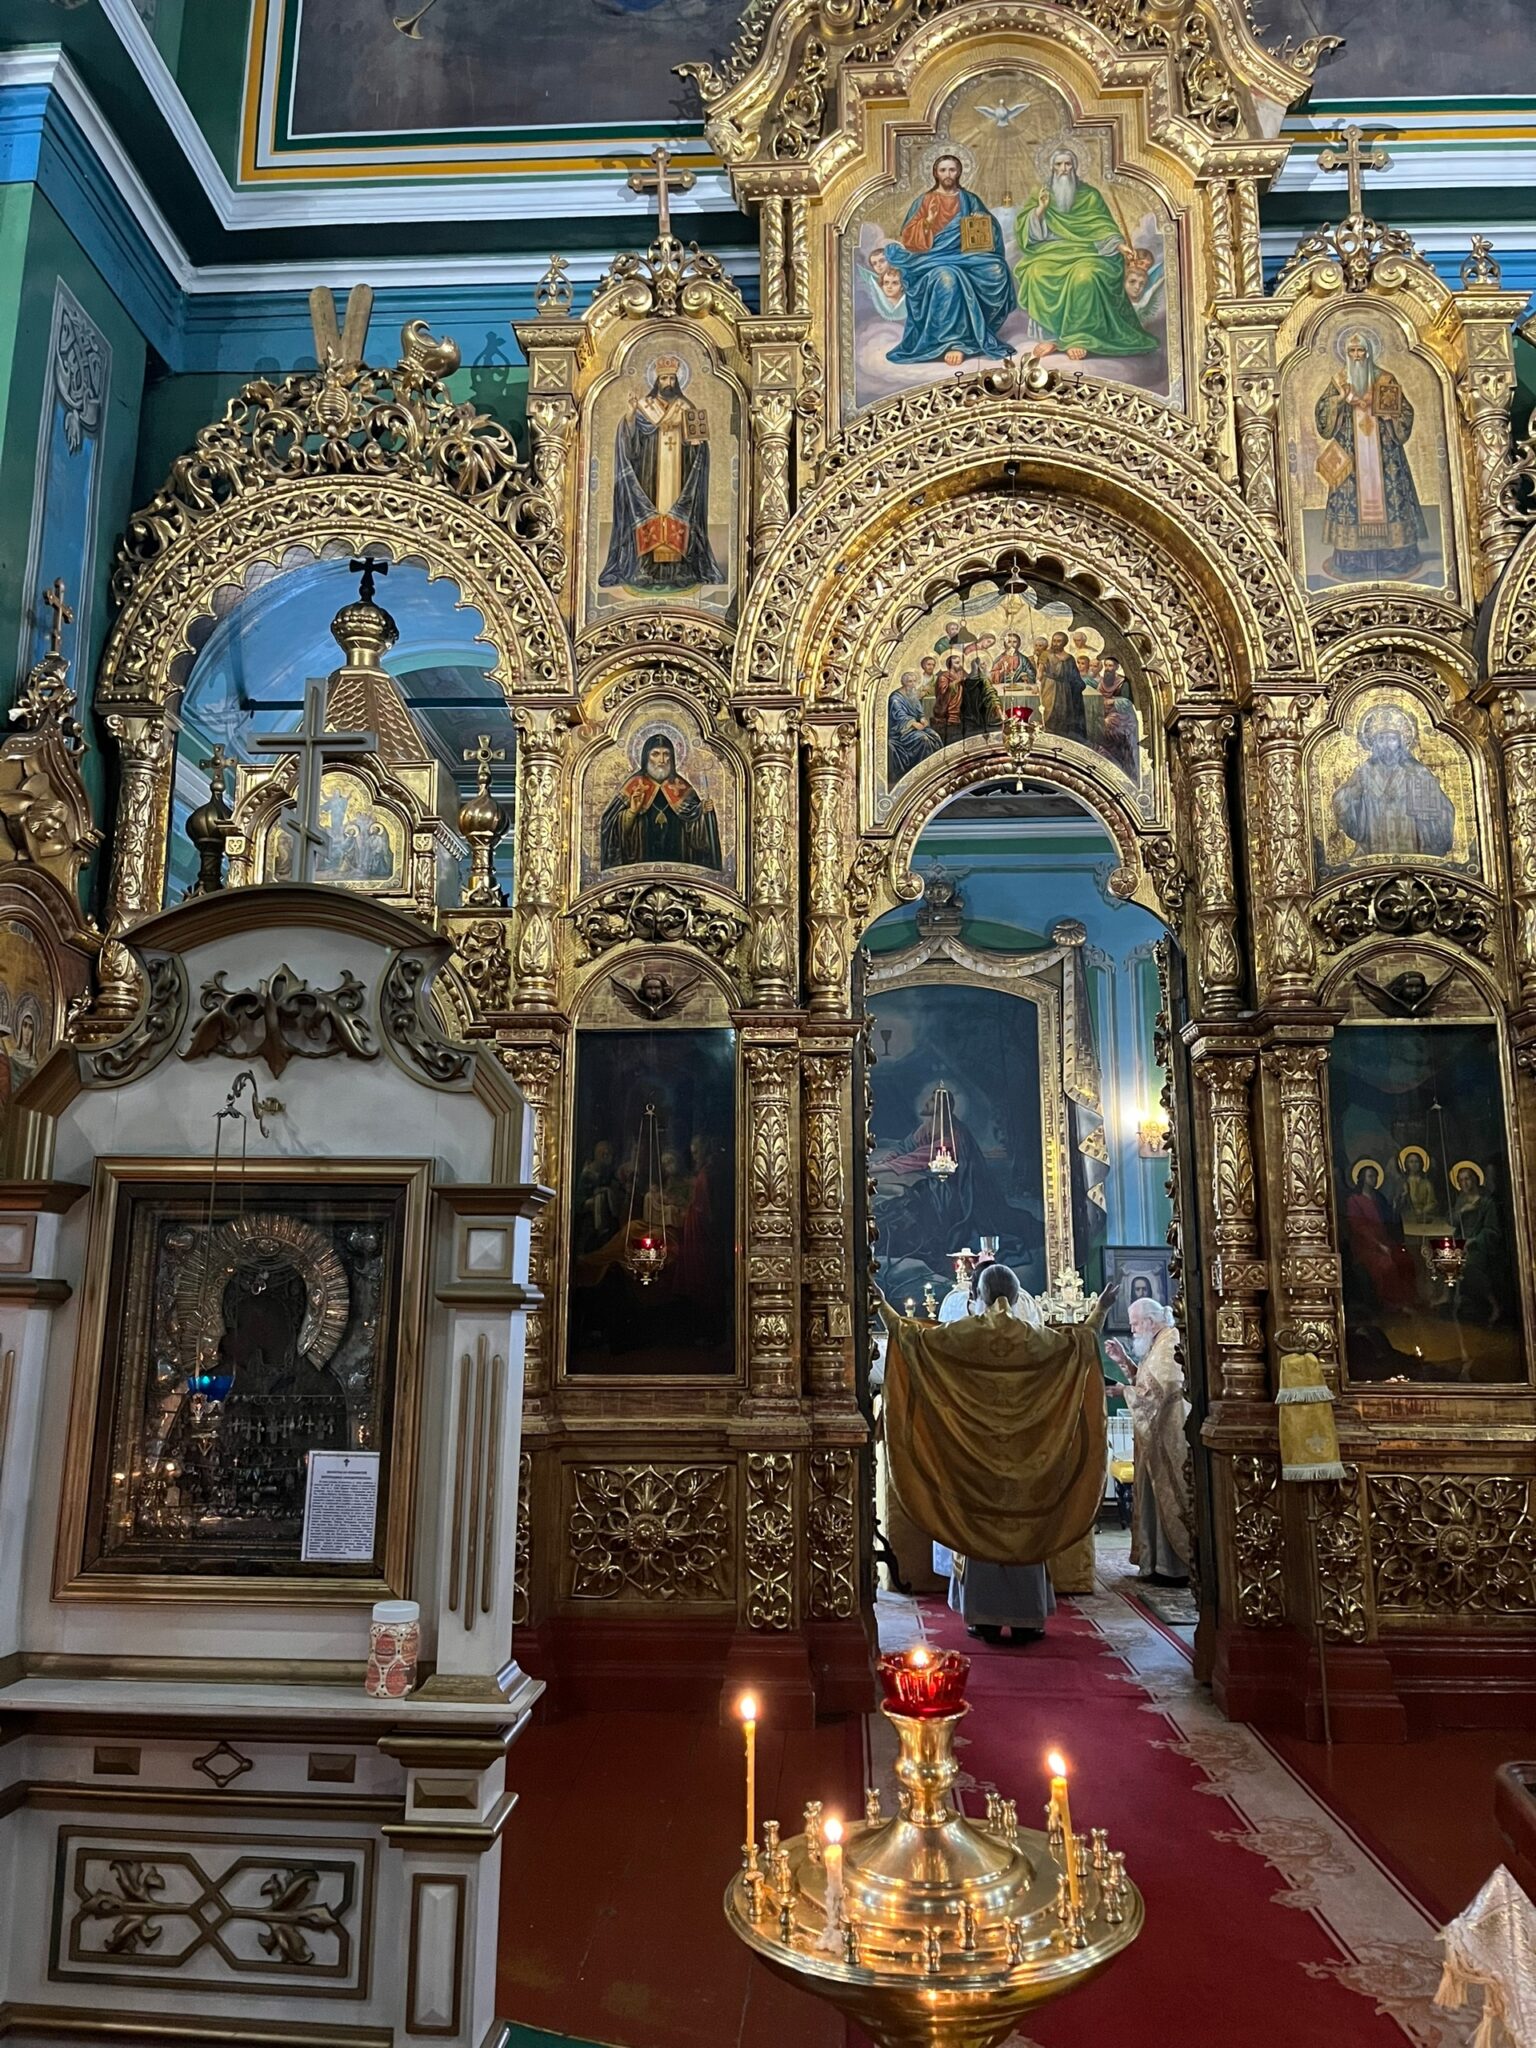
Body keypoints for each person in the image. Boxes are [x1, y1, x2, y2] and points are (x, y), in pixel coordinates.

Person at [879, 1264, 1115, 1647]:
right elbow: (1082, 1342)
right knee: (1027, 1531)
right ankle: (1028, 1619)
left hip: (976, 1459)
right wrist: (1101, 1308)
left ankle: (984, 1619)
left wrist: (882, 1305)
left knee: (980, 1530)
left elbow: (912, 1340)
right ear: (1018, 1296)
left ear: (977, 1296)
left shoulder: (964, 1335)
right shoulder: (1035, 1339)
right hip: (1031, 1460)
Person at [1014, 148, 1158, 362]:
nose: (1064, 169)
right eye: (1059, 164)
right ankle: (1052, 336)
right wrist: (1041, 209)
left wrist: (1120, 246)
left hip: (1090, 251)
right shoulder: (1042, 193)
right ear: (1051, 168)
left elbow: (1103, 226)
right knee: (1036, 272)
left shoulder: (1090, 195)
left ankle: (1080, 337)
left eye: (1068, 164)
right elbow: (1026, 231)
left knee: (1085, 276)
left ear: (1075, 167)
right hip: (1051, 251)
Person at [599, 355, 725, 592]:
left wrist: (696, 446)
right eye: (664, 378)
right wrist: (630, 414)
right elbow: (630, 442)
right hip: (650, 474)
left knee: (676, 514)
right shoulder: (644, 407)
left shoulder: (685, 407)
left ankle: (679, 569)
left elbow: (697, 444)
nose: (668, 383)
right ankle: (646, 568)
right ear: (656, 380)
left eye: (672, 378)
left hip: (679, 475)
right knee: (651, 514)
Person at [882, 153, 1018, 368]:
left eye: (952, 170)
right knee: (948, 278)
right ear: (936, 173)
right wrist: (927, 222)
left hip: (965, 254)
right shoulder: (925, 200)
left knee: (997, 270)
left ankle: (976, 332)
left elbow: (990, 228)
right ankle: (953, 342)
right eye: (943, 170)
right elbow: (909, 238)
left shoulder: (969, 199)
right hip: (931, 258)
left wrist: (982, 221)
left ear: (959, 172)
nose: (947, 174)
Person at [1314, 330, 1428, 580]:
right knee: (1351, 498)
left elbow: (1405, 411)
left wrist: (1391, 415)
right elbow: (1322, 414)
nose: (1356, 355)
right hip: (1351, 454)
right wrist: (1339, 402)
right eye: (1352, 351)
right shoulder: (1338, 381)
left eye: (1361, 350)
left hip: (1384, 454)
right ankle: (1352, 558)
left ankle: (1394, 557)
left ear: (1369, 352)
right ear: (1346, 354)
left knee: (1390, 496)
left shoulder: (1385, 379)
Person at [1105, 1298, 1192, 1585]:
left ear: (1150, 1321)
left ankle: (1173, 1567)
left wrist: (1123, 1392)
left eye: (1134, 1324)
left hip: (1168, 1436)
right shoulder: (1158, 1343)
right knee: (1152, 1499)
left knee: (1168, 1497)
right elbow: (1144, 1381)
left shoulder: (1170, 1342)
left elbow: (1159, 1391)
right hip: (1153, 1437)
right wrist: (1123, 1362)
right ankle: (1155, 1563)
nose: (1132, 1330)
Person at [1332, 704, 1455, 859]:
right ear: (1374, 743)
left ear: (1401, 742)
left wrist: (1427, 798)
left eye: (1392, 739)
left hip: (1410, 842)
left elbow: (1444, 809)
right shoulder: (1364, 771)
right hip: (1374, 843)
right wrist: (1354, 793)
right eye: (1381, 739)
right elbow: (1341, 801)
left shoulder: (1417, 771)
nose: (1386, 745)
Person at [599, 731, 722, 872]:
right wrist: (632, 812)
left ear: (673, 758)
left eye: (666, 754)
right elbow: (610, 826)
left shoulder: (681, 786)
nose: (662, 760)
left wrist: (701, 811)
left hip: (679, 867)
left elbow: (697, 831)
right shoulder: (635, 785)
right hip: (640, 866)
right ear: (646, 757)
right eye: (655, 754)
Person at [887, 671, 943, 782]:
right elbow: (899, 716)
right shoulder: (895, 698)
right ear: (903, 683)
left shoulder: (912, 694)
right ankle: (921, 772)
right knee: (923, 739)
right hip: (901, 731)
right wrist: (913, 723)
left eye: (914, 681)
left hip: (915, 728)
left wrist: (922, 719)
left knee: (935, 736)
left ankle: (935, 768)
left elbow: (919, 711)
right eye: (909, 682)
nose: (912, 684)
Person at [1038, 631, 1087, 739]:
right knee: (1048, 713)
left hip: (1065, 689)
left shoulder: (1069, 658)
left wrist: (1079, 684)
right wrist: (1038, 684)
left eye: (1058, 641)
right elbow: (1040, 672)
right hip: (1049, 687)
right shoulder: (1046, 654)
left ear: (1064, 643)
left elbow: (1075, 676)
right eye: (1054, 641)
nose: (1055, 643)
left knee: (1063, 713)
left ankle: (1061, 738)